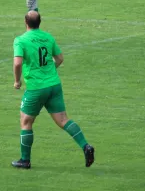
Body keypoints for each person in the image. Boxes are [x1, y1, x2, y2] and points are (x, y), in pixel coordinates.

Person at [10, 11, 95, 169]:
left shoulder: (20, 40)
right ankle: (85, 146)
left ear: (25, 22)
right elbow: (60, 58)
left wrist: (17, 81)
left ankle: (25, 160)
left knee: (26, 122)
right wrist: (49, 72)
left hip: (36, 88)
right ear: (40, 22)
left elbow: (17, 63)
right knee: (63, 120)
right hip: (54, 85)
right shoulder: (48, 37)